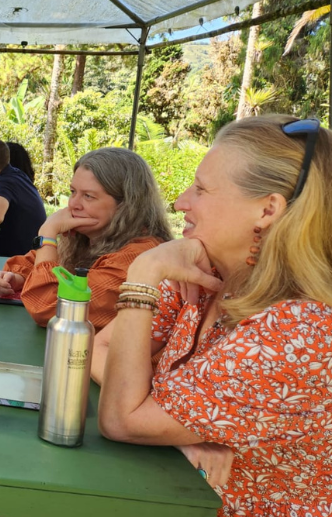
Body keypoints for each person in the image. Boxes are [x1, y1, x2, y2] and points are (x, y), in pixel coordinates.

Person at [96, 115, 332, 516]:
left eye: (201, 189)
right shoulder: (208, 277)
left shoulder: (299, 332)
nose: (180, 201)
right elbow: (100, 346)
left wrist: (144, 273)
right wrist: (174, 430)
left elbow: (121, 418)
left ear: (267, 210)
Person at [0, 147, 171, 329]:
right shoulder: (89, 237)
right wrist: (16, 277)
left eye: (88, 196)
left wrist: (48, 234)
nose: (74, 204)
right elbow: (33, 263)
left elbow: (46, 308)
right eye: (73, 192)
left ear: (127, 205)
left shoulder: (136, 260)